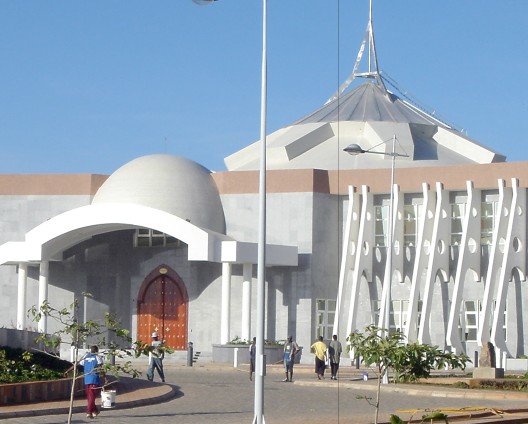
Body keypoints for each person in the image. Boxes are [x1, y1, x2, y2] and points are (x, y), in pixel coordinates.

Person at [64, 345, 104, 419]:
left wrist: (67, 371)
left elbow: (76, 364)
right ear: (97, 351)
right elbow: (101, 368)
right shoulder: (98, 358)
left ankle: (94, 411)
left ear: (90, 350)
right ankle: (90, 412)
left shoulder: (85, 357)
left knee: (90, 396)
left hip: (87, 379)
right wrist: (104, 377)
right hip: (94, 379)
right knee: (91, 396)